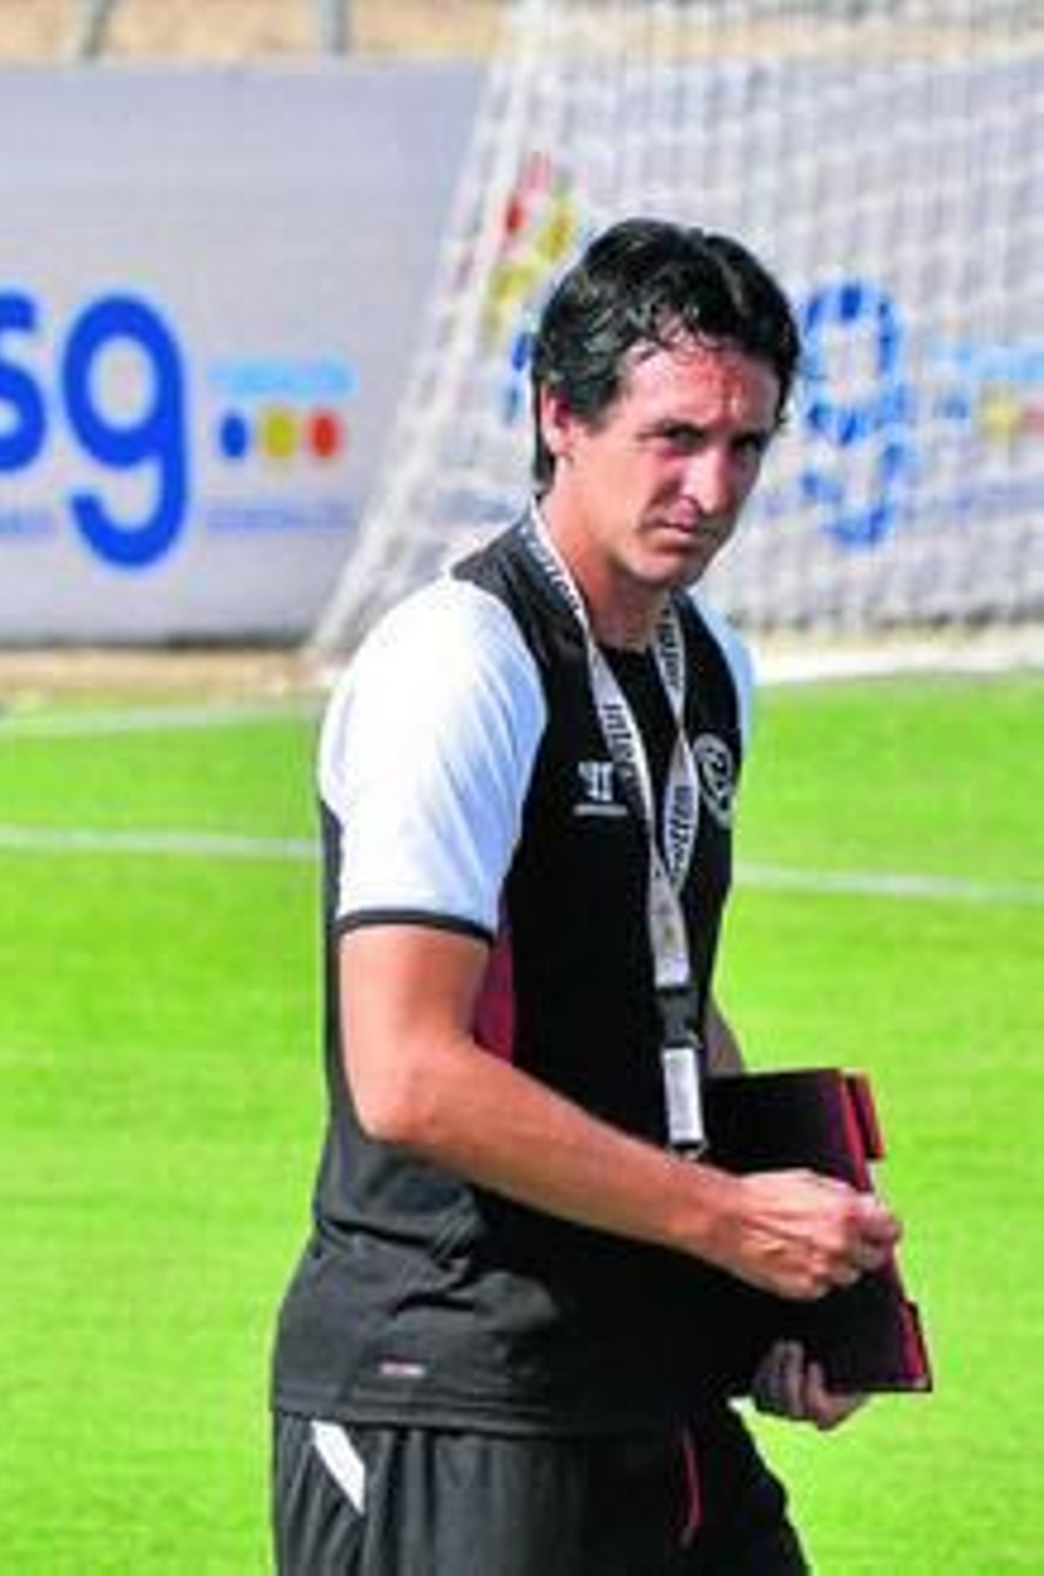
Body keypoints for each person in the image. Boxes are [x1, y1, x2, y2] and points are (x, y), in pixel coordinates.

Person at [270, 217, 903, 1574]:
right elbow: (408, 1075)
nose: (711, 488)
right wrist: (732, 1222)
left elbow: (663, 994)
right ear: (560, 415)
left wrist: (782, 1285)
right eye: (674, 437)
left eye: (745, 445)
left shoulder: (707, 665)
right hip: (450, 1385)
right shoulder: (460, 662)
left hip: (650, 1378)